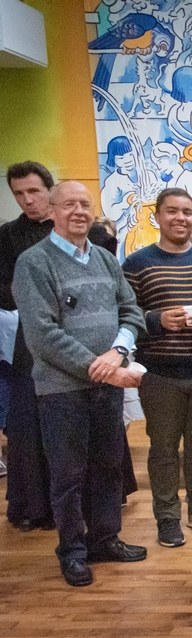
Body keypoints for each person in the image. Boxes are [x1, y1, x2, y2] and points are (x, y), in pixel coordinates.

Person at [12, 181, 147, 587]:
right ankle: (72, 551)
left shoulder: (104, 259)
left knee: (108, 466)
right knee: (68, 475)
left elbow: (131, 311)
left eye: (85, 204)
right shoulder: (34, 263)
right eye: (69, 204)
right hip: (61, 391)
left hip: (107, 386)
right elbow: (42, 335)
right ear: (51, 212)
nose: (78, 212)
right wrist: (102, 367)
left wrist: (118, 352)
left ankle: (105, 539)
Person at [122, 188, 192, 548]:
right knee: (164, 450)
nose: (180, 218)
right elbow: (123, 312)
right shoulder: (136, 263)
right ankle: (167, 516)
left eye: (187, 211)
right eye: (172, 211)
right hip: (160, 373)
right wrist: (156, 320)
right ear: (157, 216)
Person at [1, 162, 56, 530]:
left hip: (77, 335)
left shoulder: (72, 227)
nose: (27, 200)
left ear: (49, 189)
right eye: (19, 193)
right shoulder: (6, 236)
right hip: (29, 341)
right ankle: (35, 505)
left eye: (34, 191)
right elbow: (3, 290)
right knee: (29, 426)